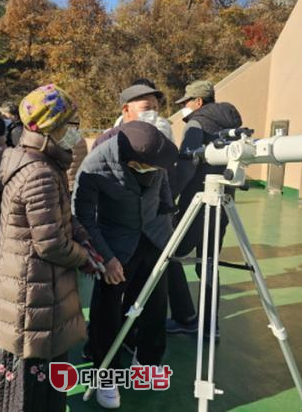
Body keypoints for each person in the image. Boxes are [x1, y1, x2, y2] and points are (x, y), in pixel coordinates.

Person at [0, 84, 100, 412]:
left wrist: (82, 236)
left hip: (24, 280)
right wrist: (84, 257)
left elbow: (58, 218)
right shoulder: (41, 173)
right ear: (51, 127)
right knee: (33, 374)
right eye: (70, 124)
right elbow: (51, 244)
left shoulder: (30, 159)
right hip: (33, 288)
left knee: (26, 364)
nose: (75, 131)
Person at [74, 120, 178, 409]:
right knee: (108, 310)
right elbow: (83, 218)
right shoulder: (95, 166)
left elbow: (164, 189)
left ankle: (148, 361)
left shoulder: (156, 156)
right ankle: (105, 372)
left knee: (155, 303)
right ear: (132, 161)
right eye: (151, 166)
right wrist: (106, 258)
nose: (157, 169)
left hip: (154, 237)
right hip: (116, 244)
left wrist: (168, 219)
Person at [166, 80, 242, 338]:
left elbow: (186, 166)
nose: (184, 107)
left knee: (168, 255)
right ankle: (210, 326)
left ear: (198, 101)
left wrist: (169, 197)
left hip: (197, 205)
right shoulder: (231, 124)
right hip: (222, 204)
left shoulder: (197, 125)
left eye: (187, 102)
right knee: (208, 264)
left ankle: (185, 317)